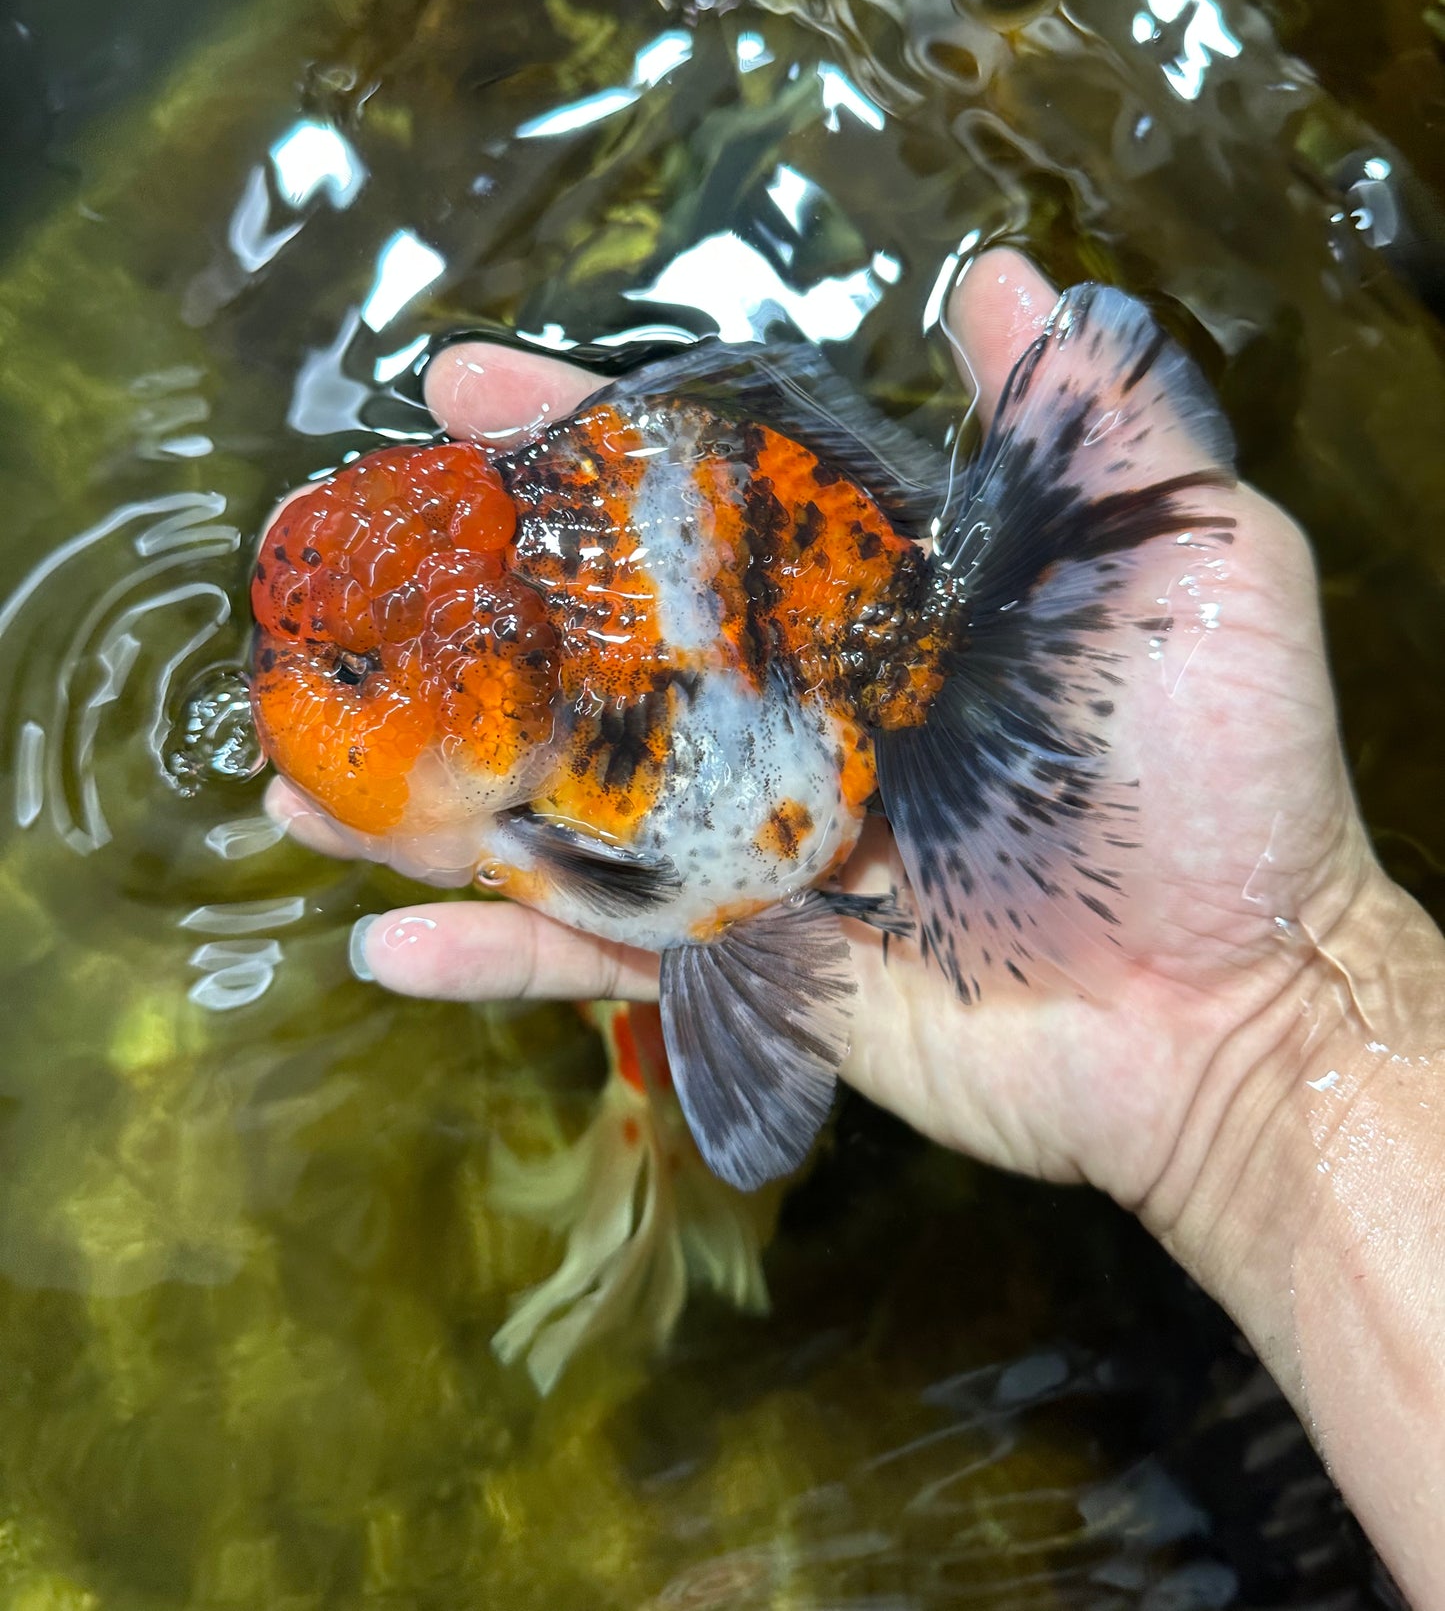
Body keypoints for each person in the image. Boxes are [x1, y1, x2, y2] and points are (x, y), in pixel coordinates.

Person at [268, 249, 1445, 1608]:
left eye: (345, 672)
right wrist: (1270, 1052)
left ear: (492, 695)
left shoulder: (547, 772)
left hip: (817, 717)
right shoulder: (519, 776)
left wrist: (1268, 1023)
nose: (300, 696)